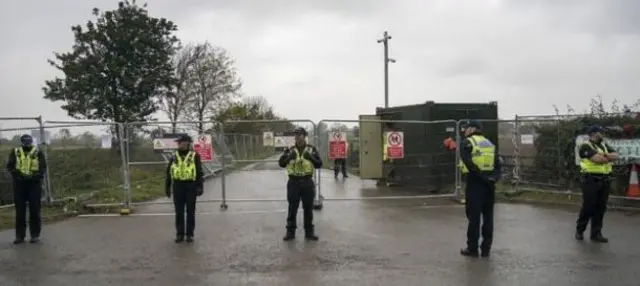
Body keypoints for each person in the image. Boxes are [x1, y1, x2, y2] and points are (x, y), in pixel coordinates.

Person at [458, 120, 501, 258]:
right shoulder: (489, 143)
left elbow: (468, 162)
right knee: (488, 218)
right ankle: (486, 249)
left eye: (466, 129)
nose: (464, 131)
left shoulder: (467, 142)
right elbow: (498, 165)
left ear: (472, 129)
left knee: (474, 217)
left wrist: (481, 176)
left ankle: (472, 249)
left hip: (475, 182)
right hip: (489, 184)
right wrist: (493, 178)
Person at [575, 125, 618, 243]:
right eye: (600, 132)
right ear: (593, 133)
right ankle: (580, 230)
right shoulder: (585, 146)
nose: (602, 133)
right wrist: (607, 157)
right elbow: (597, 160)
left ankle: (596, 233)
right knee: (588, 207)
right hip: (590, 179)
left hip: (604, 180)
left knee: (600, 208)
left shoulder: (604, 145)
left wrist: (605, 156)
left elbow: (616, 155)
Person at [279, 127, 322, 241]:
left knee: (308, 209)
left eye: (299, 135)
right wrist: (289, 157)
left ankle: (309, 232)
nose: (297, 137)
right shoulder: (290, 149)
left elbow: (319, 164)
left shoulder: (311, 149)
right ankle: (290, 232)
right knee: (292, 208)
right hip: (294, 182)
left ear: (304, 136)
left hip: (307, 182)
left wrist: (311, 158)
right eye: (296, 135)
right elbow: (281, 163)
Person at [6, 134, 46, 244]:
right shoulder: (15, 152)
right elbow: (10, 166)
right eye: (25, 142)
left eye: (29, 142)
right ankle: (20, 236)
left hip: (34, 184)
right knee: (20, 212)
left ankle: (35, 235)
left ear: (31, 142)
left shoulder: (38, 152)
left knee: (34, 210)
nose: (27, 144)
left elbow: (42, 167)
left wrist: (35, 176)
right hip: (19, 184)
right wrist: (18, 175)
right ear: (22, 142)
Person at [165, 134, 204, 243]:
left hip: (190, 185)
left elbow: (199, 172)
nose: (178, 144)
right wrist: (167, 186)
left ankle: (190, 234)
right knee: (179, 211)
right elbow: (168, 172)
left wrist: (200, 187)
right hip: (178, 185)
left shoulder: (195, 155)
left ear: (186, 143)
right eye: (178, 142)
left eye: (180, 142)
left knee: (190, 211)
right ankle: (180, 234)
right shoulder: (173, 156)